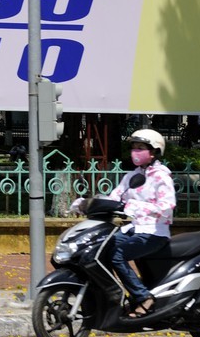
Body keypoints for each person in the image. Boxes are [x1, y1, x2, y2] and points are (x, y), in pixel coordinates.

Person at [73, 128, 176, 317]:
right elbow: (115, 198)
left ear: (153, 152)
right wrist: (86, 203)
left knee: (117, 255)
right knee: (99, 250)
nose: (136, 152)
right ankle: (111, 297)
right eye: (134, 147)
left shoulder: (161, 175)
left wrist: (138, 206)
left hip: (154, 232)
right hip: (131, 229)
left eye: (141, 148)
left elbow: (167, 205)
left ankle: (144, 297)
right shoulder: (132, 176)